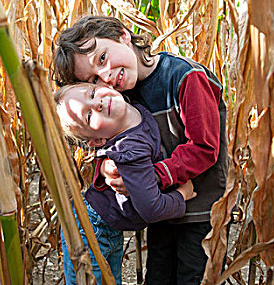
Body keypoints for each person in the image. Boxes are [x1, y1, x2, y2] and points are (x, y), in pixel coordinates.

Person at [52, 16, 228, 285]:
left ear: (123, 35)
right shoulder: (122, 95)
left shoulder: (184, 77)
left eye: (102, 59)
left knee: (193, 277)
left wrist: (151, 177)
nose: (107, 78)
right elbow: (111, 141)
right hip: (164, 211)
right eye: (95, 80)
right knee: (157, 276)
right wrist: (110, 168)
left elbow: (204, 148)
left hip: (199, 210)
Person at [55, 82, 196, 285]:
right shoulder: (128, 151)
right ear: (97, 141)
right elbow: (152, 208)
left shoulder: (135, 107)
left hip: (107, 226)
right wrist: (181, 196)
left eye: (93, 93)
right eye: (88, 116)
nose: (98, 104)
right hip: (90, 231)